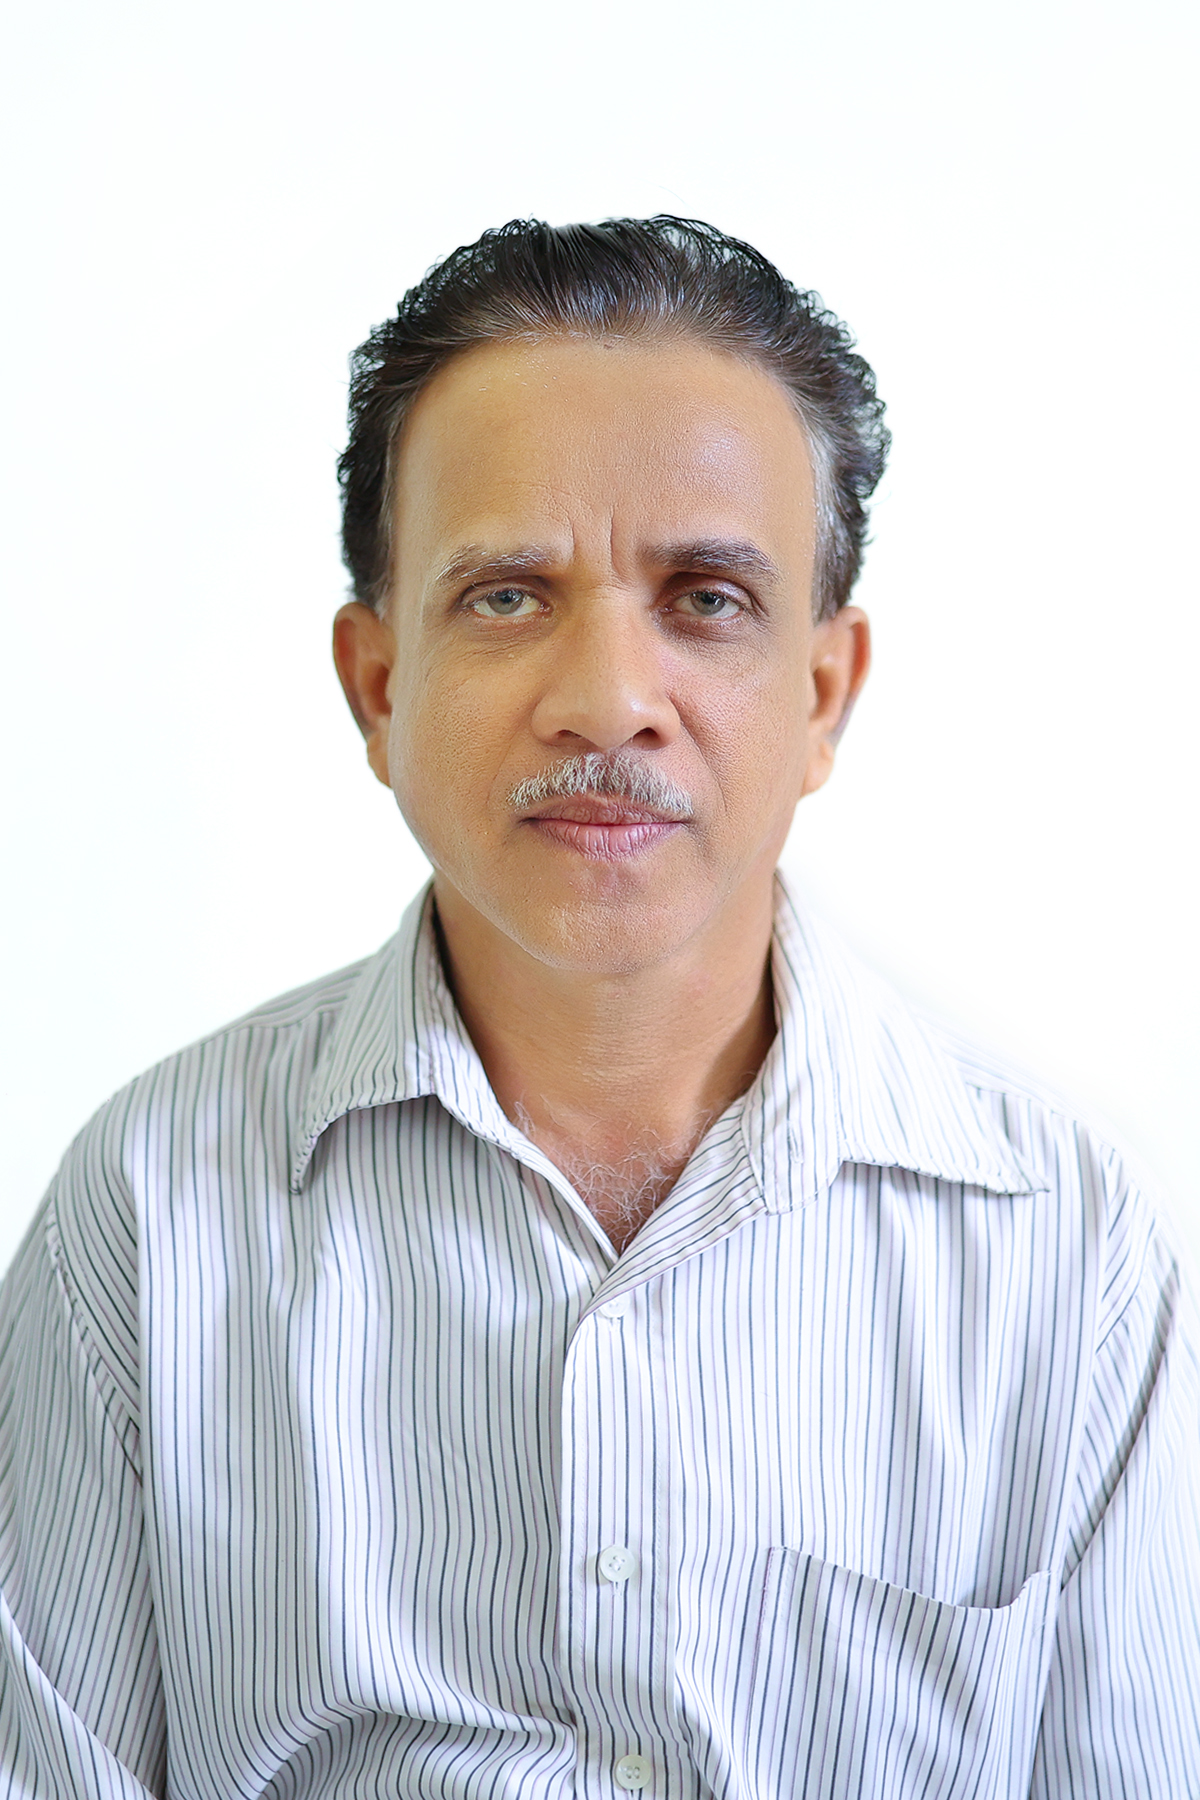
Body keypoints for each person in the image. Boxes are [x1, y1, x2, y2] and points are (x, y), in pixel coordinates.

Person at [0, 217, 1196, 1800]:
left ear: (824, 693)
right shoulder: (147, 1218)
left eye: (706, 597)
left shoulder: (1070, 1255)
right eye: (507, 596)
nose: (610, 700)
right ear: (377, 686)